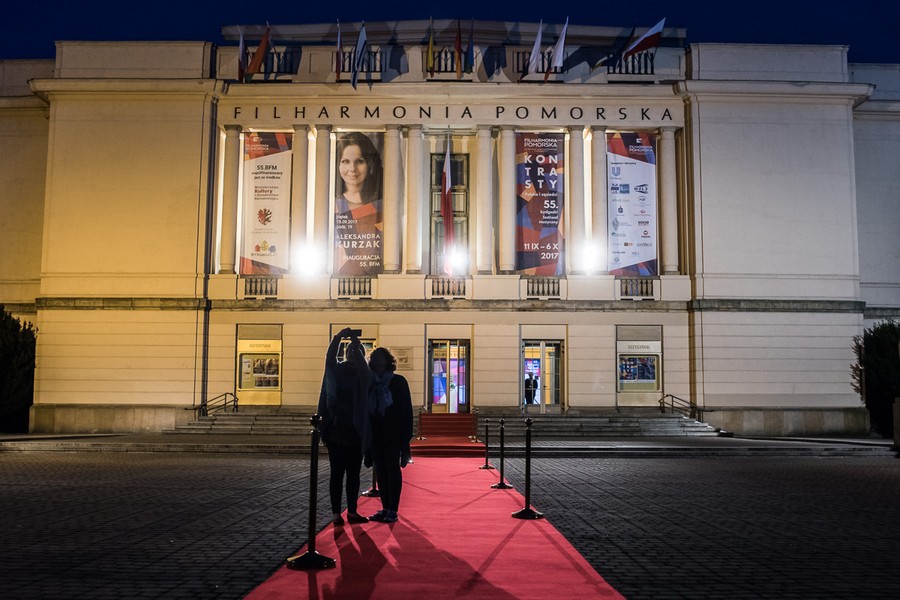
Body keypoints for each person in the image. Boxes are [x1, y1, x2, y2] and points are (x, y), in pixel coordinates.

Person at [317, 327, 370, 526]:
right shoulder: (336, 371)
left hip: (354, 431)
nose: (352, 355)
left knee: (353, 474)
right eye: (349, 352)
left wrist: (355, 344)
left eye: (356, 353)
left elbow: (364, 369)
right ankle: (335, 513)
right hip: (336, 430)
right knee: (337, 474)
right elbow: (330, 359)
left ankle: (352, 511)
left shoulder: (363, 376)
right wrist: (338, 338)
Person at [366, 347, 413, 524]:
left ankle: (393, 509)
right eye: (375, 358)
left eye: (381, 357)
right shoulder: (370, 383)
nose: (378, 361)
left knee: (392, 470)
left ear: (388, 361)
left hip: (393, 434)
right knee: (381, 471)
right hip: (376, 434)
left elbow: (405, 411)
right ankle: (385, 507)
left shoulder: (398, 381)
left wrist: (405, 438)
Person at [334, 132, 384, 275]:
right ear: (338, 165)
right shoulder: (332, 206)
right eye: (345, 161)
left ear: (370, 164)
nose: (352, 169)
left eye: (359, 161)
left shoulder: (382, 205)